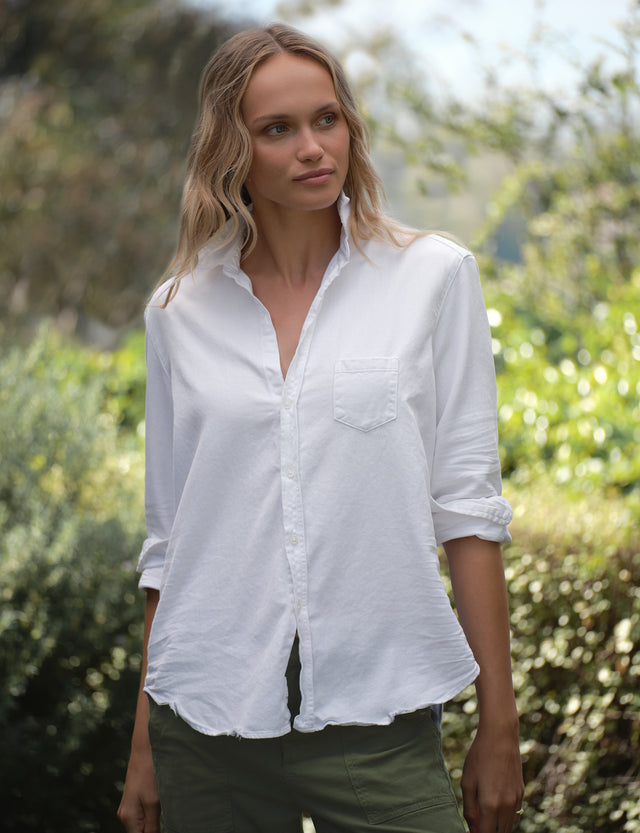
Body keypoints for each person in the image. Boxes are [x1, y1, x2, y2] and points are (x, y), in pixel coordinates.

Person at [117, 22, 524, 833]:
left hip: (379, 719)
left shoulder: (433, 277)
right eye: (278, 129)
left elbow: (469, 512)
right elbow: (171, 543)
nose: (312, 148)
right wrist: (143, 748)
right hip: (205, 723)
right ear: (232, 151)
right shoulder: (179, 310)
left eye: (326, 119)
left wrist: (500, 723)